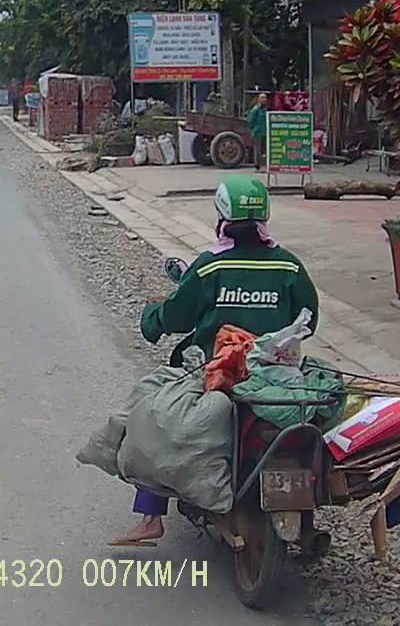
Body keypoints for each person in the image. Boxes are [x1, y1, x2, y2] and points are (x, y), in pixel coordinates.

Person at [110, 175, 320, 546]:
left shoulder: (209, 268)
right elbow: (309, 319)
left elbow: (176, 316)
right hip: (276, 375)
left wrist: (151, 318)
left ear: (222, 216)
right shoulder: (289, 267)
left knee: (153, 412)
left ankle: (150, 517)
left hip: (215, 375)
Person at [248, 93, 269, 170]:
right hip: (257, 132)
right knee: (257, 149)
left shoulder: (265, 109)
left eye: (265, 98)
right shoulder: (256, 109)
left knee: (265, 149)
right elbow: (250, 120)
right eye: (262, 98)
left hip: (265, 132)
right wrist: (253, 129)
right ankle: (257, 165)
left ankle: (265, 164)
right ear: (259, 99)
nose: (264, 99)